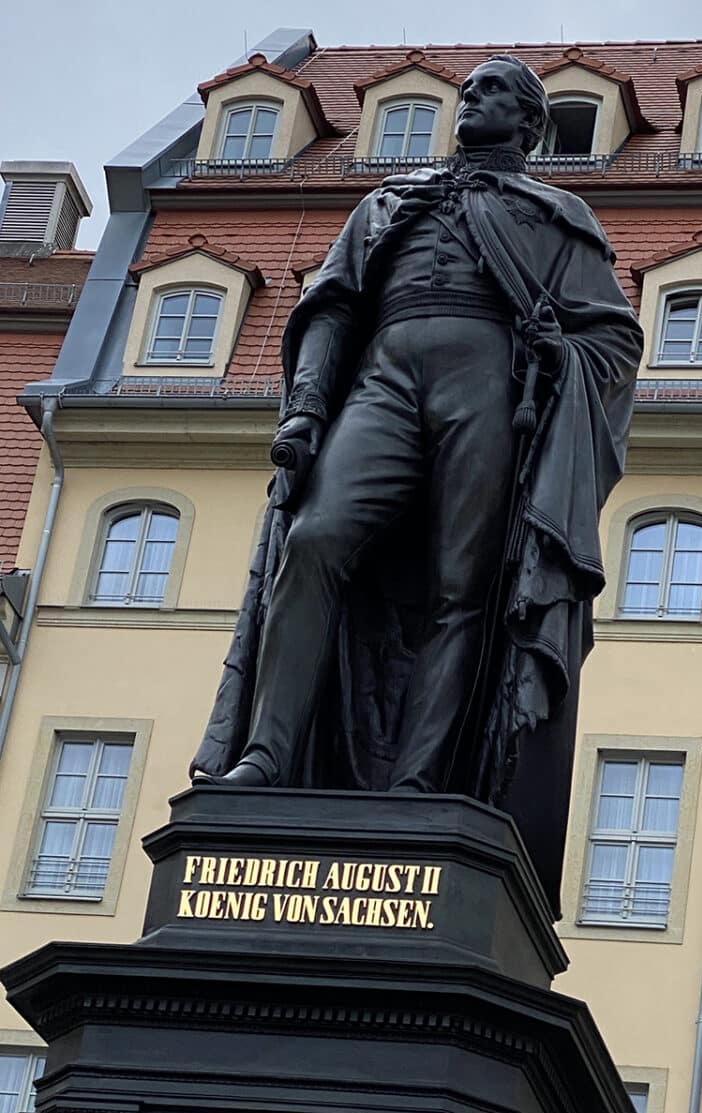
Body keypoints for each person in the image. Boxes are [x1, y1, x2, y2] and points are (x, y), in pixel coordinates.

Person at [192, 54, 643, 912]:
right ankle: (267, 756)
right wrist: (306, 409)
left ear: (530, 124)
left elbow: (614, 340)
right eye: (467, 89)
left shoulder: (558, 213)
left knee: (462, 586)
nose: (471, 98)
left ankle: (419, 780)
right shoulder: (387, 201)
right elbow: (333, 306)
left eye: (493, 90)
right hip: (385, 375)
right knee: (315, 541)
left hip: (488, 382)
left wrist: (561, 357)